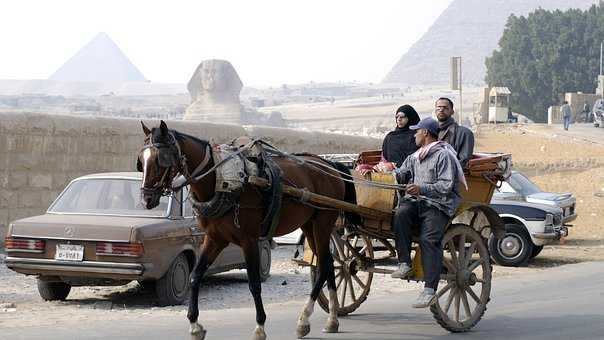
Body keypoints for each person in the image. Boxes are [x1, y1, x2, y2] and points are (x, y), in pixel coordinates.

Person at [390, 117, 465, 308]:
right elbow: (400, 173)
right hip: (417, 203)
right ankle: (404, 263)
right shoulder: (415, 156)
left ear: (425, 133)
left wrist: (421, 188)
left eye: (417, 131)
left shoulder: (443, 155)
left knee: (428, 240)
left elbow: (446, 185)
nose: (414, 134)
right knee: (400, 214)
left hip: (439, 204)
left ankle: (430, 289)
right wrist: (384, 170)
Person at [434, 97, 474, 168]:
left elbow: (463, 161)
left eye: (445, 108)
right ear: (435, 111)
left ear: (452, 112)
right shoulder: (430, 131)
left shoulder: (465, 133)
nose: (441, 110)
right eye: (438, 107)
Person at [380, 105, 421, 169]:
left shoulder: (417, 135)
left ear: (410, 117)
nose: (399, 119)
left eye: (402, 117)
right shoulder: (390, 137)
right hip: (391, 173)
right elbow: (384, 158)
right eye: (397, 117)